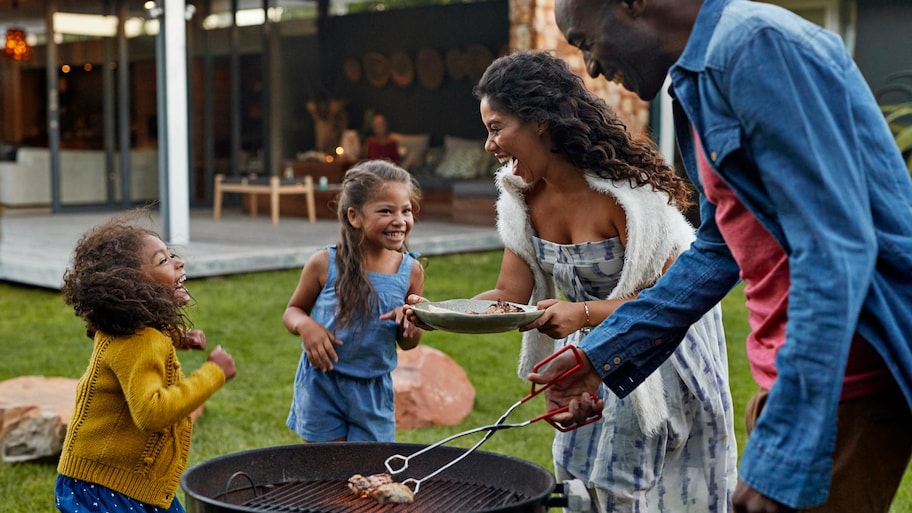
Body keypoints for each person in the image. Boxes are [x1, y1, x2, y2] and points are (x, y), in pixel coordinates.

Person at [541, 1, 912, 512]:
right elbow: (720, 246)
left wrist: (784, 449)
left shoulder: (755, 49)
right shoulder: (696, 80)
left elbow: (834, 252)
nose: (592, 68)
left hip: (844, 379)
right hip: (792, 376)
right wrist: (601, 354)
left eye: (585, 42)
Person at [409, 50, 737, 512]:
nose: (489, 145)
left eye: (496, 127)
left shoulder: (630, 198)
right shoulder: (520, 197)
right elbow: (508, 296)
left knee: (628, 483)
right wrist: (432, 315)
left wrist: (580, 313)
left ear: (540, 121)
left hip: (658, 346)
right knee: (579, 479)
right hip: (587, 344)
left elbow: (668, 302)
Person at [55, 214, 237, 513]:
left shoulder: (126, 330)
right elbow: (152, 411)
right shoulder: (141, 342)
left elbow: (137, 346)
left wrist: (178, 338)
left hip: (104, 479)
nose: (178, 263)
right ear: (132, 288)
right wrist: (213, 374)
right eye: (163, 261)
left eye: (172, 255)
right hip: (106, 490)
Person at [283, 159, 424, 443]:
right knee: (324, 471)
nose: (400, 220)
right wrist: (306, 326)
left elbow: (408, 342)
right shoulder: (324, 263)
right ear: (354, 216)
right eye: (386, 211)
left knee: (369, 476)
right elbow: (293, 311)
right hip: (323, 384)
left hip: (373, 391)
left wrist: (411, 324)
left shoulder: (411, 271)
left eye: (405, 210)